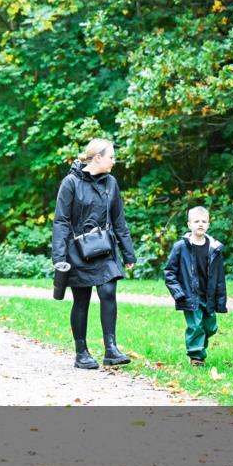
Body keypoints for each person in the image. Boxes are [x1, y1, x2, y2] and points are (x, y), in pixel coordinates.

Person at [52, 138, 137, 369]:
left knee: (108, 292)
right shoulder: (70, 183)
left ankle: (111, 349)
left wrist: (128, 253)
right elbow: (61, 221)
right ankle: (82, 353)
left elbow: (119, 219)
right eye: (111, 156)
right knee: (81, 301)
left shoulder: (111, 183)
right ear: (97, 157)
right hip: (77, 250)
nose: (114, 161)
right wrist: (59, 257)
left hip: (105, 248)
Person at [163, 206, 228, 366]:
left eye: (204, 221)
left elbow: (220, 277)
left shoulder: (215, 248)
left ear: (208, 224)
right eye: (196, 221)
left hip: (209, 295)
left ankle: (199, 347)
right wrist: (178, 293)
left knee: (210, 327)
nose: (200, 224)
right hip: (189, 295)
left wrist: (220, 300)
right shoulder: (180, 247)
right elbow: (169, 272)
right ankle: (196, 357)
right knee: (195, 325)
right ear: (189, 224)